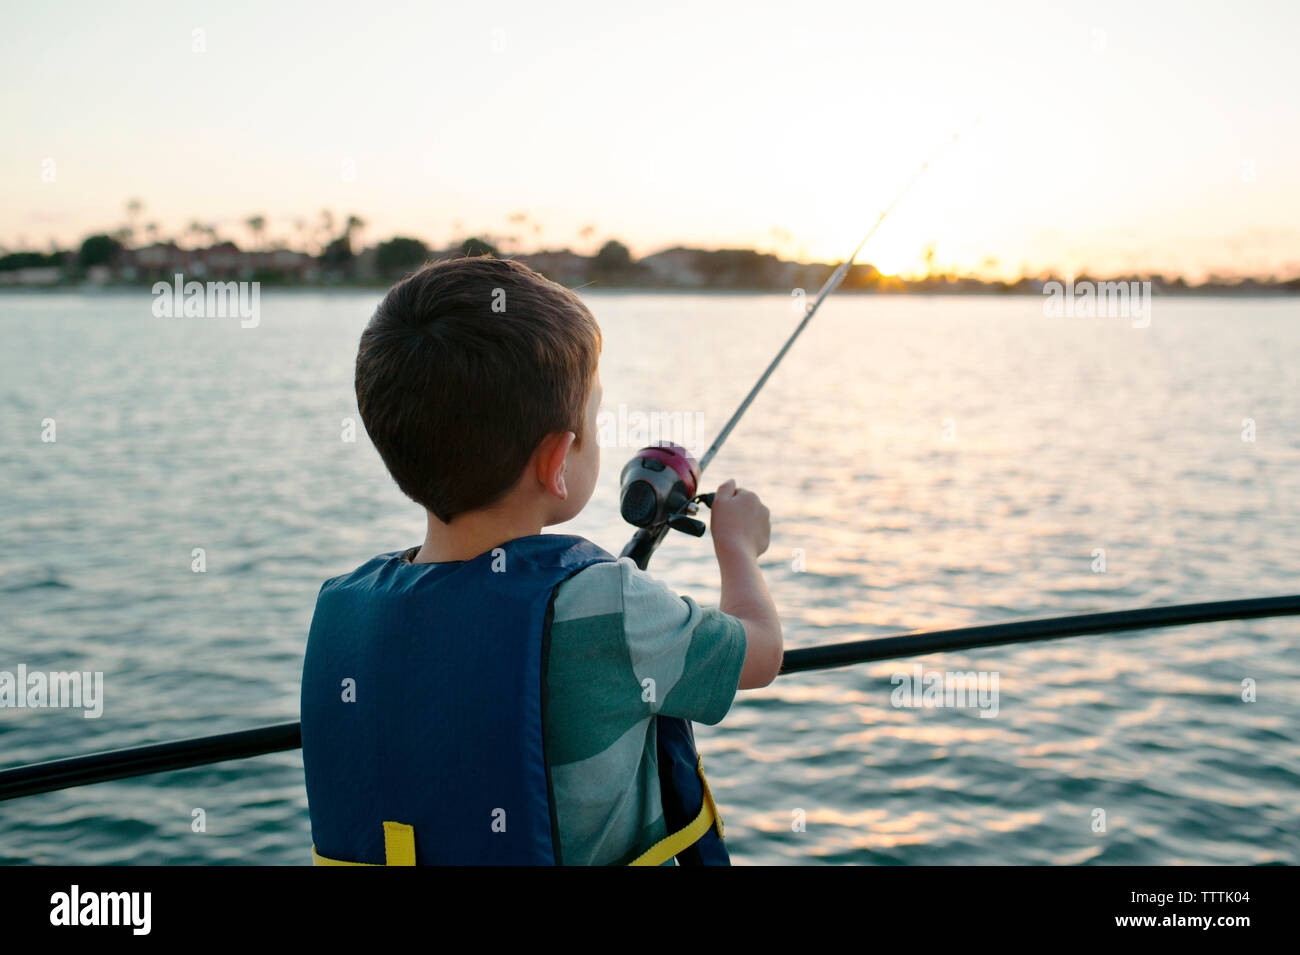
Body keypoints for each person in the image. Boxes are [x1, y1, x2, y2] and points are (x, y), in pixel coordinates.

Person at [300, 256, 782, 865]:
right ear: (557, 461)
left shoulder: (345, 605)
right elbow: (761, 652)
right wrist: (737, 546)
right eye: (593, 420)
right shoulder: (612, 603)